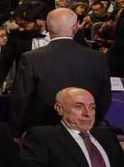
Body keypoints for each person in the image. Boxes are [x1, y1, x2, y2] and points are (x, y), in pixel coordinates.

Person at [10, 8, 111, 136]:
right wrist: (91, 125)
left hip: (42, 133)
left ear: (46, 26)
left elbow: (21, 99)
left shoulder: (31, 58)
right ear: (75, 27)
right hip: (85, 131)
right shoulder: (98, 58)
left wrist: (16, 132)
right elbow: (105, 98)